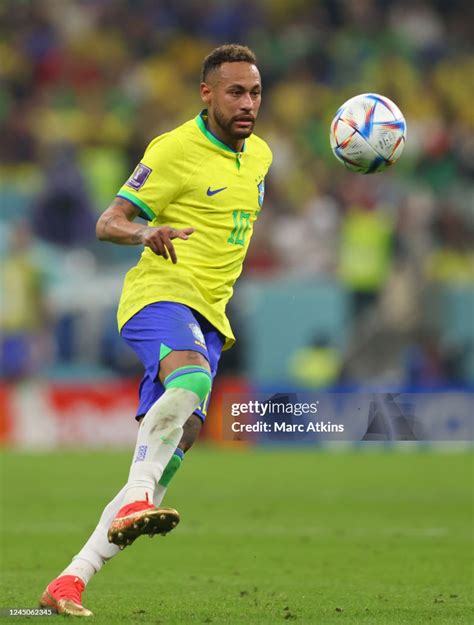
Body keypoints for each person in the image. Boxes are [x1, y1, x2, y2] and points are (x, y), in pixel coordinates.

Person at [40, 43, 272, 617]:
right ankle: (135, 498)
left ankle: (70, 580)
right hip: (158, 296)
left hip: (211, 321)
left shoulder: (261, 156)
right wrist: (147, 233)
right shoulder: (173, 150)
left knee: (169, 453)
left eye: (256, 92)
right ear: (207, 94)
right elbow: (108, 222)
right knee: (187, 383)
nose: (248, 103)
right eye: (235, 92)